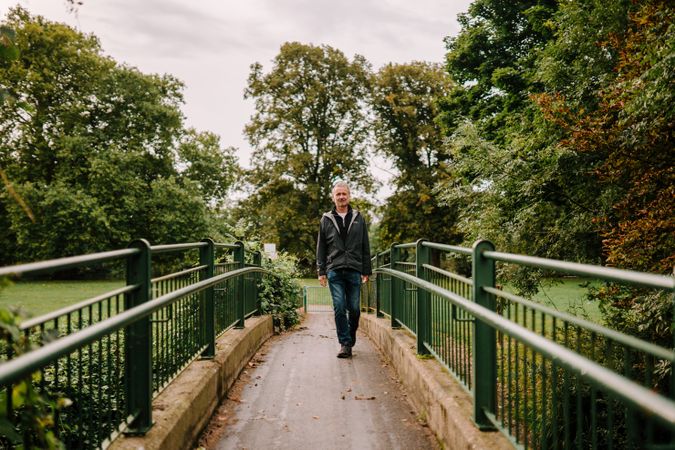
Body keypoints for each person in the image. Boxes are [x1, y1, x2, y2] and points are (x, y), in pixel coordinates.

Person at [316, 181, 372, 358]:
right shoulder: (326, 219)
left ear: (349, 196)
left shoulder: (358, 217)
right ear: (333, 197)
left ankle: (350, 334)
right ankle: (345, 344)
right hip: (334, 269)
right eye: (338, 194)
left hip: (354, 268)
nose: (341, 197)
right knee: (339, 307)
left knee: (354, 309)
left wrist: (366, 270)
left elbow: (365, 245)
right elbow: (321, 247)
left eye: (344, 194)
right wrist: (321, 271)